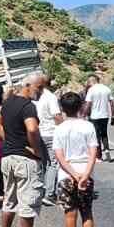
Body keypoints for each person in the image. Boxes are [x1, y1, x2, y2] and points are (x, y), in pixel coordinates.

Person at [0, 74, 47, 227]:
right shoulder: (28, 106)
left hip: (7, 157)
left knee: (9, 198)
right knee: (28, 199)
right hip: (25, 160)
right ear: (27, 85)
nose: (41, 91)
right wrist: (36, 149)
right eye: (39, 88)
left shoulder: (7, 103)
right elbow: (32, 128)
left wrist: (7, 140)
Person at [53, 91, 101, 227]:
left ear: (62, 108)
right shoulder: (88, 126)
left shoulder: (59, 129)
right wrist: (85, 175)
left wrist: (73, 174)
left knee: (69, 214)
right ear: (81, 106)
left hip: (66, 175)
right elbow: (93, 152)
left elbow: (59, 156)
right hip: (86, 175)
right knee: (86, 213)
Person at [34, 74, 64, 206]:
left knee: (45, 163)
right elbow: (57, 116)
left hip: (39, 133)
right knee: (53, 163)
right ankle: (50, 194)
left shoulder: (37, 97)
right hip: (50, 133)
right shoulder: (50, 97)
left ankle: (45, 189)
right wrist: (64, 128)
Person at [85, 75, 114, 160]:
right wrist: (113, 116)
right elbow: (112, 104)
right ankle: (106, 149)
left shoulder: (91, 90)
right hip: (105, 115)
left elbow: (88, 104)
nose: (88, 84)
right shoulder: (107, 89)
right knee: (104, 134)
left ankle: (99, 156)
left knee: (96, 135)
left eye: (89, 82)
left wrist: (83, 114)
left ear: (92, 81)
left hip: (94, 116)